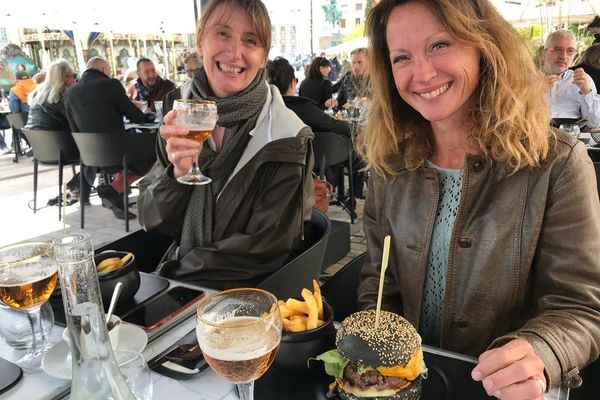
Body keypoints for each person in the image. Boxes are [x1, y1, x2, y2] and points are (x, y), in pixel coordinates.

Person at [357, 1, 600, 399]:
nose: (422, 73)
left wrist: (542, 350)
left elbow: (581, 307)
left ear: (483, 46)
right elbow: (377, 283)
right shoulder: (390, 166)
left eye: (439, 45)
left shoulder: (558, 163)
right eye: (402, 57)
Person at [137, 0, 314, 289]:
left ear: (263, 56)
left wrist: (174, 277)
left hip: (249, 294)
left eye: (250, 40)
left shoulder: (287, 134)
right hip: (180, 280)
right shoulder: (177, 111)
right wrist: (176, 175)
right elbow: (151, 219)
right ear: (200, 42)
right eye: (222, 33)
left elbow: (266, 248)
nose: (235, 52)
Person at [64, 57, 149, 219]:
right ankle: (113, 190)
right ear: (103, 69)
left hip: (89, 155)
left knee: (136, 147)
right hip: (116, 153)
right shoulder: (110, 85)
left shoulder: (69, 92)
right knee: (156, 149)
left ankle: (108, 192)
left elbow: (74, 129)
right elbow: (137, 117)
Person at [267, 57, 350, 137]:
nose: (330, 69)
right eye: (328, 66)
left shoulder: (264, 109)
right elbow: (333, 125)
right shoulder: (303, 108)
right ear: (292, 84)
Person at [542, 30, 600, 128]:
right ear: (544, 54)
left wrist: (586, 91)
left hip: (571, 137)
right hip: (535, 135)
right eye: (558, 49)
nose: (563, 56)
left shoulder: (583, 80)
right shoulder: (527, 79)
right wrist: (536, 93)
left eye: (570, 51)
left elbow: (595, 123)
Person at [25, 59, 76, 132]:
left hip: (35, 140)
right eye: (74, 76)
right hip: (61, 140)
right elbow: (75, 123)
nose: (75, 79)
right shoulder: (63, 96)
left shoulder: (38, 94)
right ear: (65, 78)